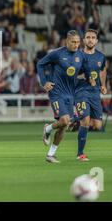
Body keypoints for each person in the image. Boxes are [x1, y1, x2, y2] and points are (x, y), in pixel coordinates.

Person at [38, 30, 91, 163]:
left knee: (64, 126)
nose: (76, 45)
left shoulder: (81, 55)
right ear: (66, 41)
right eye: (73, 42)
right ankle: (48, 128)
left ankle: (50, 154)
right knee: (65, 120)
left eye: (78, 42)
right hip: (56, 92)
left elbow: (85, 70)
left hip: (70, 93)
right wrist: (44, 82)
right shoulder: (57, 54)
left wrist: (89, 77)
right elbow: (40, 64)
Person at [73, 29, 107, 161]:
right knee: (86, 121)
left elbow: (103, 70)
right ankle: (80, 153)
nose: (90, 39)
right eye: (88, 37)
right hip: (81, 91)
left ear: (96, 41)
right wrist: (85, 77)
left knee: (98, 125)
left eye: (93, 37)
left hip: (95, 93)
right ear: (84, 40)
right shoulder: (77, 56)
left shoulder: (100, 57)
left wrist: (103, 85)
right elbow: (72, 74)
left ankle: (75, 119)